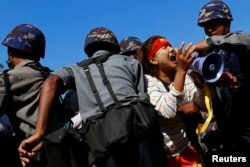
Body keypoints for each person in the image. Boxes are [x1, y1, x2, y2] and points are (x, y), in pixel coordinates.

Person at [18, 27, 168, 167]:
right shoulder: (130, 63)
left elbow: (51, 82)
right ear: (115, 47)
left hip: (104, 145)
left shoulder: (76, 69)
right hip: (143, 139)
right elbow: (143, 99)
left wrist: (39, 132)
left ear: (88, 50)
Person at [136, 35, 205, 167]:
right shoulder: (147, 82)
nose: (171, 49)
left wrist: (200, 85)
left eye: (169, 45)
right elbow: (168, 111)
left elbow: (202, 106)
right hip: (165, 158)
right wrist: (182, 71)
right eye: (163, 48)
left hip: (186, 150)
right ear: (153, 60)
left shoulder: (183, 75)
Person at [195, 0, 250, 162]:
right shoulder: (209, 56)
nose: (209, 29)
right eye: (206, 25)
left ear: (227, 22)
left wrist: (210, 42)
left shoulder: (239, 44)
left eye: (214, 23)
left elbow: (244, 40)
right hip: (227, 127)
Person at [0, 24, 56, 167]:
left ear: (10, 52)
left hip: (30, 155)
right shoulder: (51, 76)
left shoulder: (7, 79)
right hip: (59, 152)